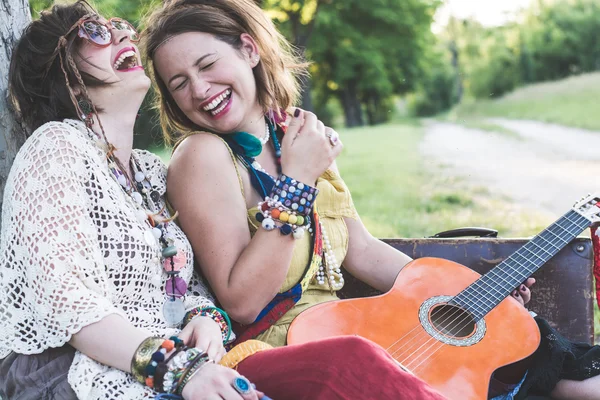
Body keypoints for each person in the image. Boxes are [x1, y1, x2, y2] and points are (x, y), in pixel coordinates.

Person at [143, 0, 600, 399]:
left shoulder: (298, 134)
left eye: (206, 65)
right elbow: (242, 303)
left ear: (248, 49)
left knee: (542, 353)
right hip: (292, 352)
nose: (199, 91)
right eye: (179, 83)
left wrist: (464, 294)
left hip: (357, 325)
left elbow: (357, 248)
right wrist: (298, 182)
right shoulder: (204, 157)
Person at [0, 1, 452, 400]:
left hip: (176, 369)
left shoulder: (146, 172)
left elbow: (185, 291)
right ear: (70, 83)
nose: (120, 33)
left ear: (250, 50)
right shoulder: (56, 148)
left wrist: (205, 321)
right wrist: (179, 369)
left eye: (117, 24)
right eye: (93, 33)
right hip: (84, 377)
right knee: (348, 365)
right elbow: (69, 301)